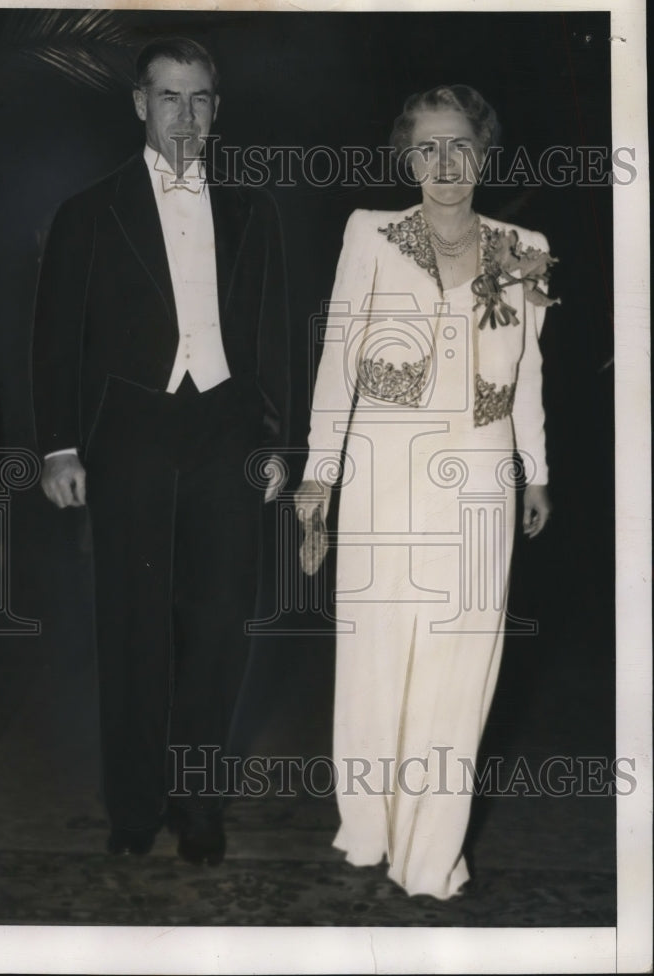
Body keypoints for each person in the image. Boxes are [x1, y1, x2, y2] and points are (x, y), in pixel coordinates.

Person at [295, 85, 556, 900]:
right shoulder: (368, 234)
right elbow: (338, 356)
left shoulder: (526, 247)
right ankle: (369, 828)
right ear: (406, 157)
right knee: (377, 658)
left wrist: (535, 468)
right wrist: (319, 470)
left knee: (461, 659)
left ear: (485, 152)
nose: (445, 165)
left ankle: (430, 851)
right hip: (381, 468)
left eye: (461, 146)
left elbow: (530, 372)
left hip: (480, 474)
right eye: (427, 148)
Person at [32, 37, 289, 865]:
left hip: (227, 435)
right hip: (130, 437)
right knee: (133, 627)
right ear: (139, 103)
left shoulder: (254, 209)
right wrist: (60, 447)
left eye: (201, 97)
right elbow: (54, 339)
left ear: (218, 110)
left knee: (218, 630)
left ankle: (199, 803)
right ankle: (136, 804)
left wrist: (281, 441)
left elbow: (277, 335)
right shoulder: (87, 211)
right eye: (169, 96)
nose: (186, 113)